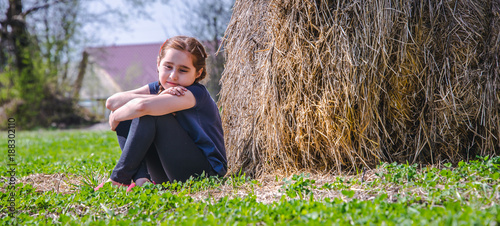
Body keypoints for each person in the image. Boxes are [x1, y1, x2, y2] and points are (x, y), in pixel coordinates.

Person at [94, 36, 227, 192]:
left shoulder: (192, 93)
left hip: (205, 172)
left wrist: (115, 116)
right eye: (168, 66)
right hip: (170, 169)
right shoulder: (159, 87)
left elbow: (142, 106)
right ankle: (142, 180)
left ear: (198, 73)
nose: (173, 76)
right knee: (130, 111)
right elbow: (112, 102)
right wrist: (156, 97)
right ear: (158, 64)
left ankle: (119, 178)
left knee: (147, 112)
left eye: (183, 70)